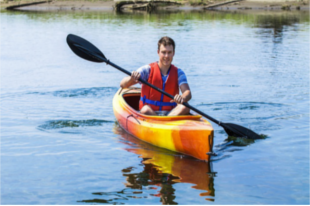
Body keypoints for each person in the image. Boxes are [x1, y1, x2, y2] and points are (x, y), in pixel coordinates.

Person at [120, 36, 191, 116]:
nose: (166, 56)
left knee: (185, 106)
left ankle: (165, 122)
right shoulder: (148, 70)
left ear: (173, 53)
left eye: (169, 52)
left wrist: (183, 97)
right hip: (150, 114)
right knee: (145, 109)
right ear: (158, 52)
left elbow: (187, 92)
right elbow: (122, 84)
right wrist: (131, 79)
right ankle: (163, 123)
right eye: (163, 52)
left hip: (171, 114)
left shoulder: (179, 73)